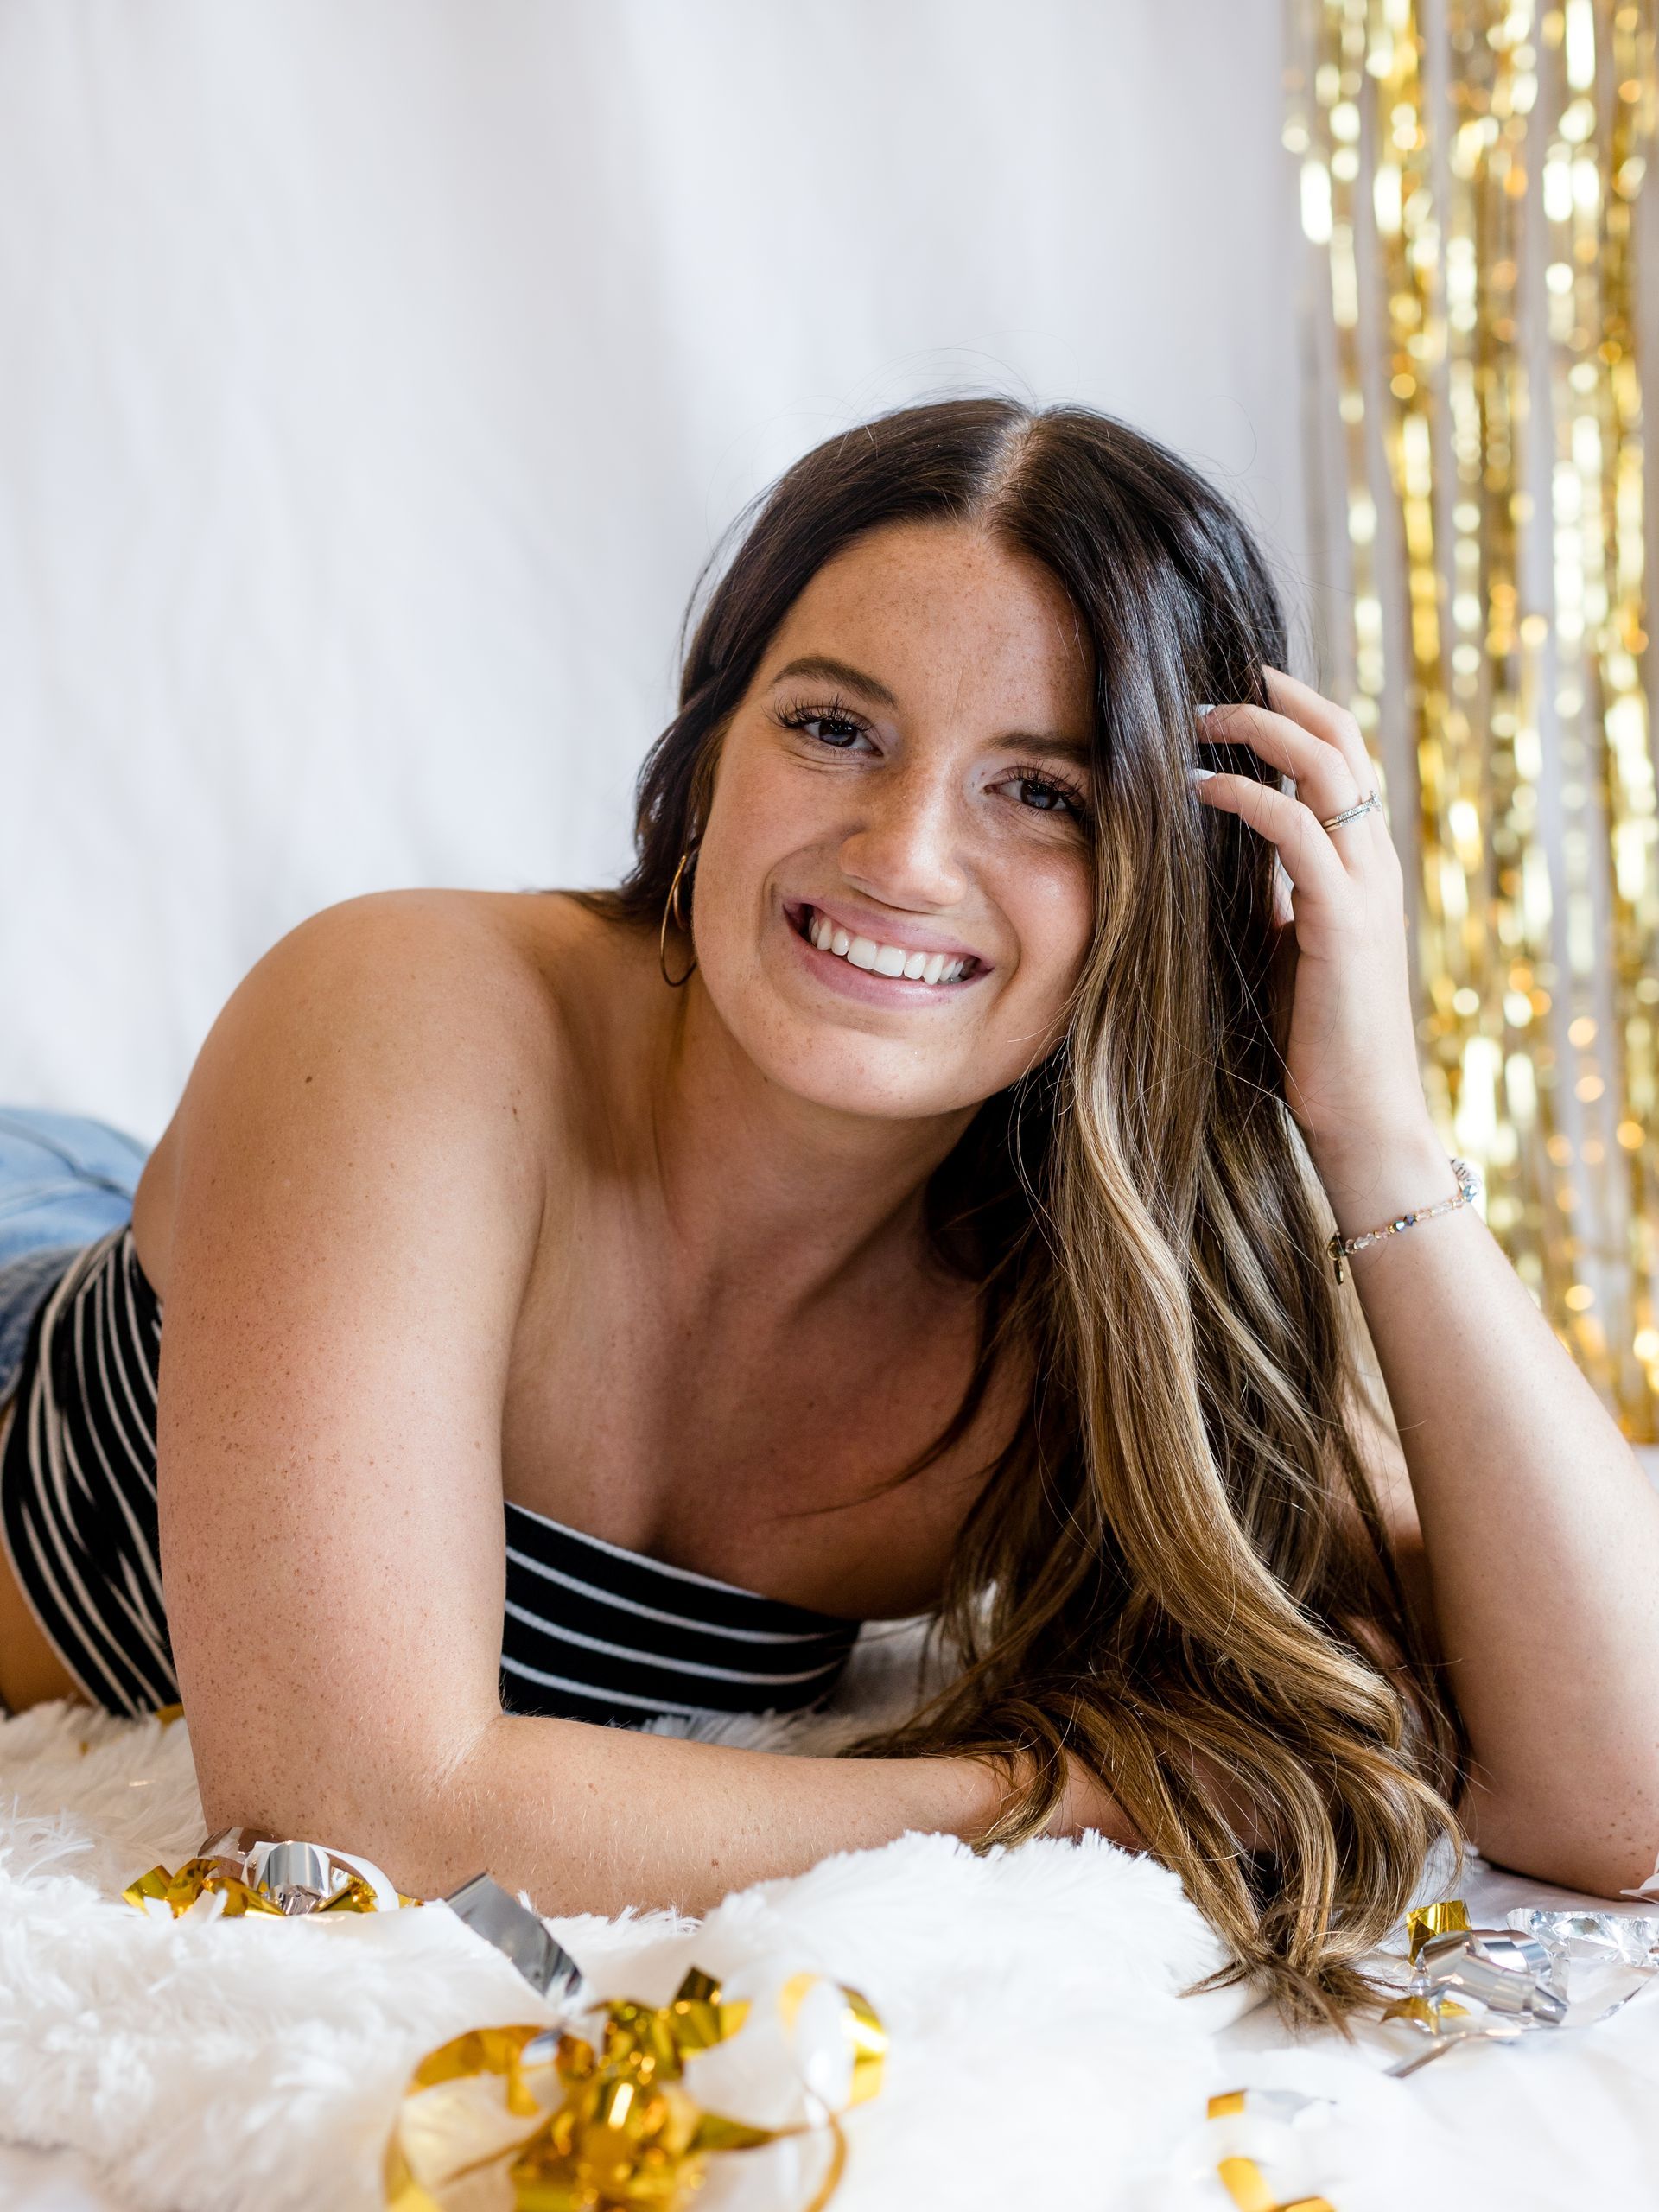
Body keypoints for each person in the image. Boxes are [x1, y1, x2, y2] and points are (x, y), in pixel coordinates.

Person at [3, 398, 1656, 2024]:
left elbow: (1618, 1794)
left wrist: (1377, 1132)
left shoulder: (1094, 1291)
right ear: (709, 748)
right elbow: (344, 1816)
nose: (904, 856)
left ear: (1168, 878)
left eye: (1046, 792)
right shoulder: (404, 1014)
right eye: (835, 729)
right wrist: (1075, 1798)